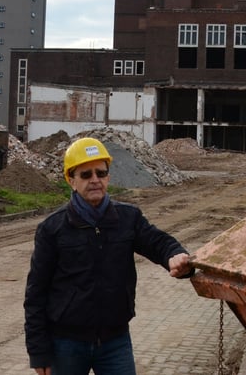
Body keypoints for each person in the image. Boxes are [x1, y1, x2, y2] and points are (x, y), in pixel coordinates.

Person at [24, 137, 194, 375]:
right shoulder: (52, 229)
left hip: (115, 341)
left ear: (108, 178)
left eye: (101, 173)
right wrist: (38, 352)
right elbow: (35, 294)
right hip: (66, 344)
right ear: (71, 180)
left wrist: (175, 255)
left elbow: (157, 242)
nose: (95, 180)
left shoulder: (128, 218)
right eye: (86, 175)